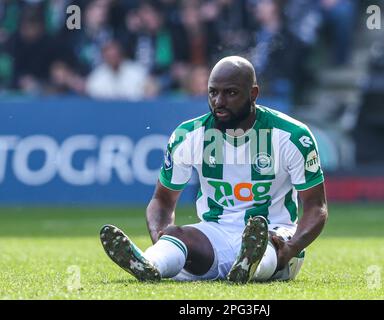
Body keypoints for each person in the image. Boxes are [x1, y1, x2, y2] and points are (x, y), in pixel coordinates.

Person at [100, 56, 328, 283]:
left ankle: (251, 265)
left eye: (230, 93)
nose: (219, 101)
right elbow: (163, 200)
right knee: (174, 236)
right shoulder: (188, 136)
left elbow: (316, 207)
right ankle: (151, 263)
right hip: (215, 232)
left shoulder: (292, 136)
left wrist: (291, 247)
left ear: (253, 94)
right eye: (213, 92)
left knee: (265, 245)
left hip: (276, 232)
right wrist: (160, 237)